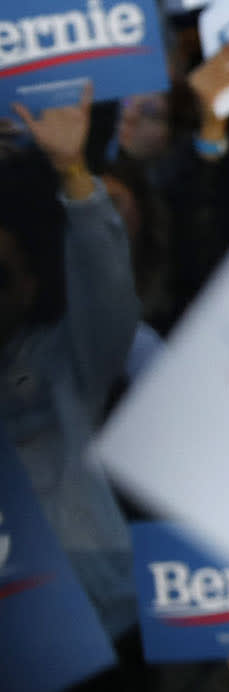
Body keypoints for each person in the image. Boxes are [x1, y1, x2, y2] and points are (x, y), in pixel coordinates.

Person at [0, 91, 142, 632]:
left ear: (30, 286)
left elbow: (106, 291)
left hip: (90, 621)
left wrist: (72, 170)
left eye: (0, 277)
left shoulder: (64, 361)